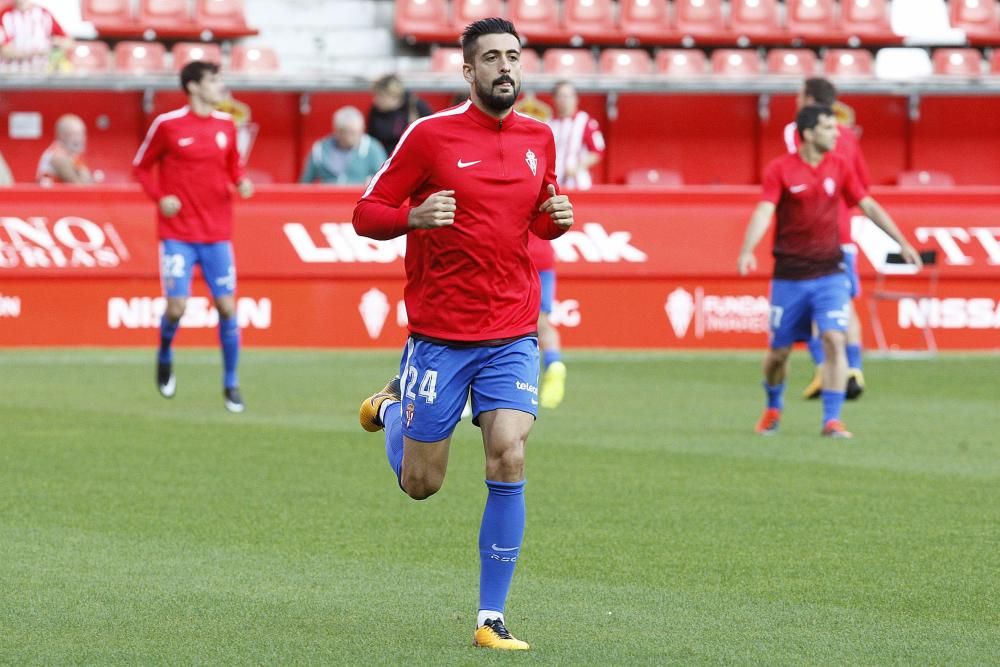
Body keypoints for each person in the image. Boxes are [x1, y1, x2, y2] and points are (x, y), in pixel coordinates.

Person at [352, 18, 573, 650]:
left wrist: (555, 219)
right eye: (492, 58)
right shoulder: (429, 136)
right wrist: (413, 216)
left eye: (513, 56)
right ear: (468, 71)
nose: (506, 67)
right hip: (441, 334)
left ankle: (489, 618)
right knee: (423, 484)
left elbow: (536, 215)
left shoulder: (539, 137)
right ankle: (393, 405)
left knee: (510, 452)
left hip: (511, 328)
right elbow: (366, 213)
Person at [738, 105, 921, 438]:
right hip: (790, 275)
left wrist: (902, 241)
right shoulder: (780, 169)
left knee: (835, 338)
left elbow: (867, 204)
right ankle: (773, 408)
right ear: (808, 134)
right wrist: (748, 249)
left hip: (831, 271)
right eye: (828, 128)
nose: (837, 133)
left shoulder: (840, 166)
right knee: (778, 352)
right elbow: (765, 210)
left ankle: (832, 420)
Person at [133, 60, 254, 413]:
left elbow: (234, 166)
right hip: (178, 233)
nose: (220, 86)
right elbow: (140, 167)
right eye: (213, 80)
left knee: (227, 306)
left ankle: (231, 383)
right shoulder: (168, 125)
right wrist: (161, 198)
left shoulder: (227, 126)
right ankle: (165, 353)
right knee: (177, 306)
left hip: (217, 233)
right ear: (193, 86)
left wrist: (241, 181)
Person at [784, 77, 871, 401]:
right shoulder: (847, 135)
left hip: (812, 236)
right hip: (844, 234)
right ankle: (854, 370)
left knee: (815, 304)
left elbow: (796, 177)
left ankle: (826, 369)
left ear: (808, 100)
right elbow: (863, 185)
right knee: (844, 305)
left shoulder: (797, 134)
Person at [299, 106, 387, 185]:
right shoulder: (320, 149)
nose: (356, 137)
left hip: (360, 198)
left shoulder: (373, 148)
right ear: (337, 131)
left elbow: (384, 179)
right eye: (350, 133)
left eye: (357, 132)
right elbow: (305, 183)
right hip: (327, 199)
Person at [548, 80, 605, 190]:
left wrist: (578, 167)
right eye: (561, 96)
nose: (565, 100)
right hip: (554, 185)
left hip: (578, 184)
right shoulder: (548, 123)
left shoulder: (585, 121)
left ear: (576, 99)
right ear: (553, 99)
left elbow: (598, 151)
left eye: (569, 96)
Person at [367, 73, 432, 154]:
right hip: (386, 158)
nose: (375, 100)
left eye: (381, 96)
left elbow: (431, 134)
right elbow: (371, 140)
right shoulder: (376, 111)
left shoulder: (415, 106)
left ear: (394, 96)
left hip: (413, 155)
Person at [0, 0, 73, 73]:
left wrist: (56, 43)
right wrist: (35, 52)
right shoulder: (5, 15)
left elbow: (68, 42)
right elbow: (4, 51)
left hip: (42, 73)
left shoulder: (44, 14)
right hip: (12, 73)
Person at [37, 114, 93, 185]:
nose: (80, 139)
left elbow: (87, 180)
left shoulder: (72, 156)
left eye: (82, 133)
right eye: (75, 134)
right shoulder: (58, 156)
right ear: (62, 136)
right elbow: (79, 186)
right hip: (50, 195)